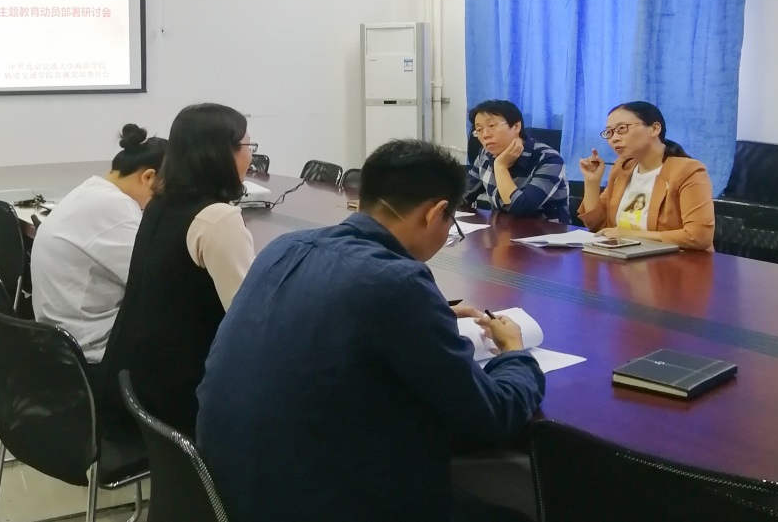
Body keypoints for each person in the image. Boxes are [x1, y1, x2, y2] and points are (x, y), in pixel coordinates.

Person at [197, 139, 545, 522]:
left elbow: (336, 316)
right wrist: (515, 354)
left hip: (229, 489)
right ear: (435, 213)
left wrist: (431, 315)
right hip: (322, 502)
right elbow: (491, 416)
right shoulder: (399, 282)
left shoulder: (284, 247)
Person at [100, 103, 256, 440]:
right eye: (248, 146)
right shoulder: (218, 219)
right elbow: (250, 321)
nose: (251, 157)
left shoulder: (158, 203)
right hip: (178, 406)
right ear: (222, 153)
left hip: (129, 390)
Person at [30, 124, 167, 388]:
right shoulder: (115, 207)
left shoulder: (92, 190)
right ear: (149, 177)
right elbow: (155, 281)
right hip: (89, 353)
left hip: (59, 337)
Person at [578, 101, 715, 250]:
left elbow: (699, 236)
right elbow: (597, 225)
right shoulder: (622, 168)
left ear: (655, 129)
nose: (614, 138)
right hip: (624, 258)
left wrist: (633, 235)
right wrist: (592, 182)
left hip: (677, 261)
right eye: (609, 132)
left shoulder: (688, 170)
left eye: (622, 129)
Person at [465, 100, 570, 223]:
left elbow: (521, 208)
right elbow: (463, 195)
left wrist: (500, 166)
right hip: (501, 231)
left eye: (491, 126)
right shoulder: (485, 155)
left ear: (516, 126)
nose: (485, 135)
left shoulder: (549, 159)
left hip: (546, 233)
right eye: (479, 130)